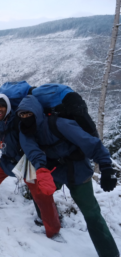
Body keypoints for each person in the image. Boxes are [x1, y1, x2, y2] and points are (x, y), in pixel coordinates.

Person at [17, 95, 119, 257]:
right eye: (22, 115)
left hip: (78, 171)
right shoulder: (25, 130)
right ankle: (49, 221)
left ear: (37, 112)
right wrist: (41, 169)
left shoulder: (59, 124)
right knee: (38, 189)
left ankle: (109, 253)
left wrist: (106, 166)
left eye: (28, 114)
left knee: (91, 213)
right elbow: (32, 150)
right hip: (54, 171)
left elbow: (89, 142)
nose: (25, 118)